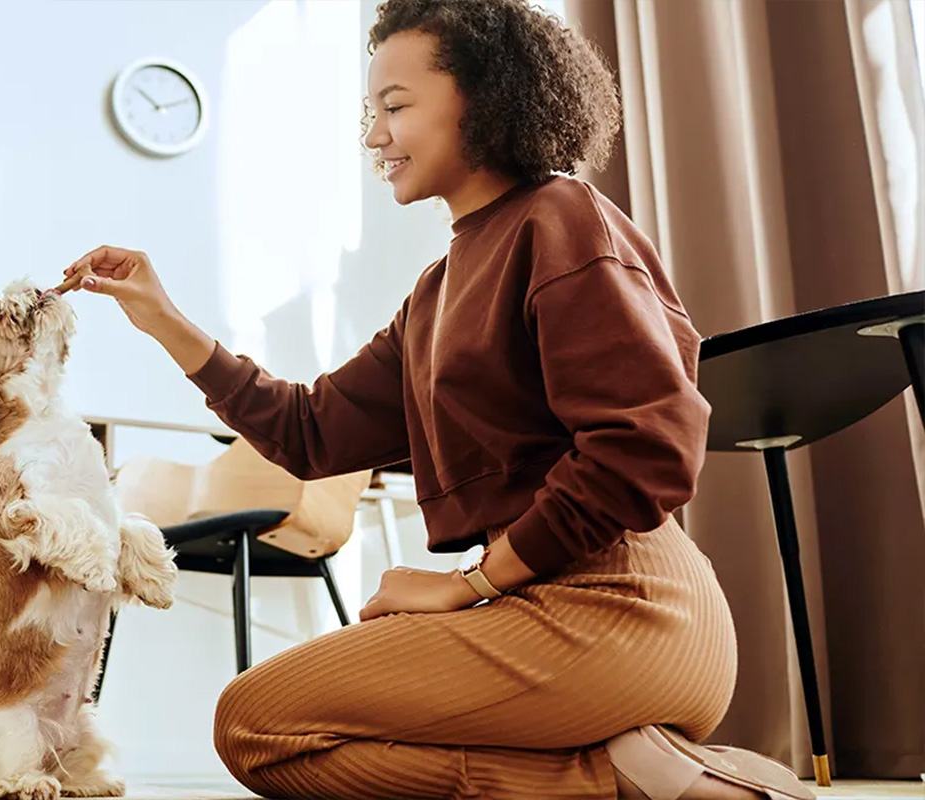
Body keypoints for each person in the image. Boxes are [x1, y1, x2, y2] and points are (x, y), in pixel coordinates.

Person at [64, 2, 814, 798]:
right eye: (369, 112)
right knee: (262, 731)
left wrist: (470, 584)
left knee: (257, 718)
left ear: (484, 97)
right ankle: (645, 773)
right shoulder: (435, 296)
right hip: (548, 602)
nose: (373, 136)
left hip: (627, 604)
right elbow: (308, 432)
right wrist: (163, 319)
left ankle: (627, 776)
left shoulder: (561, 218)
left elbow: (646, 448)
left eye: (395, 107)